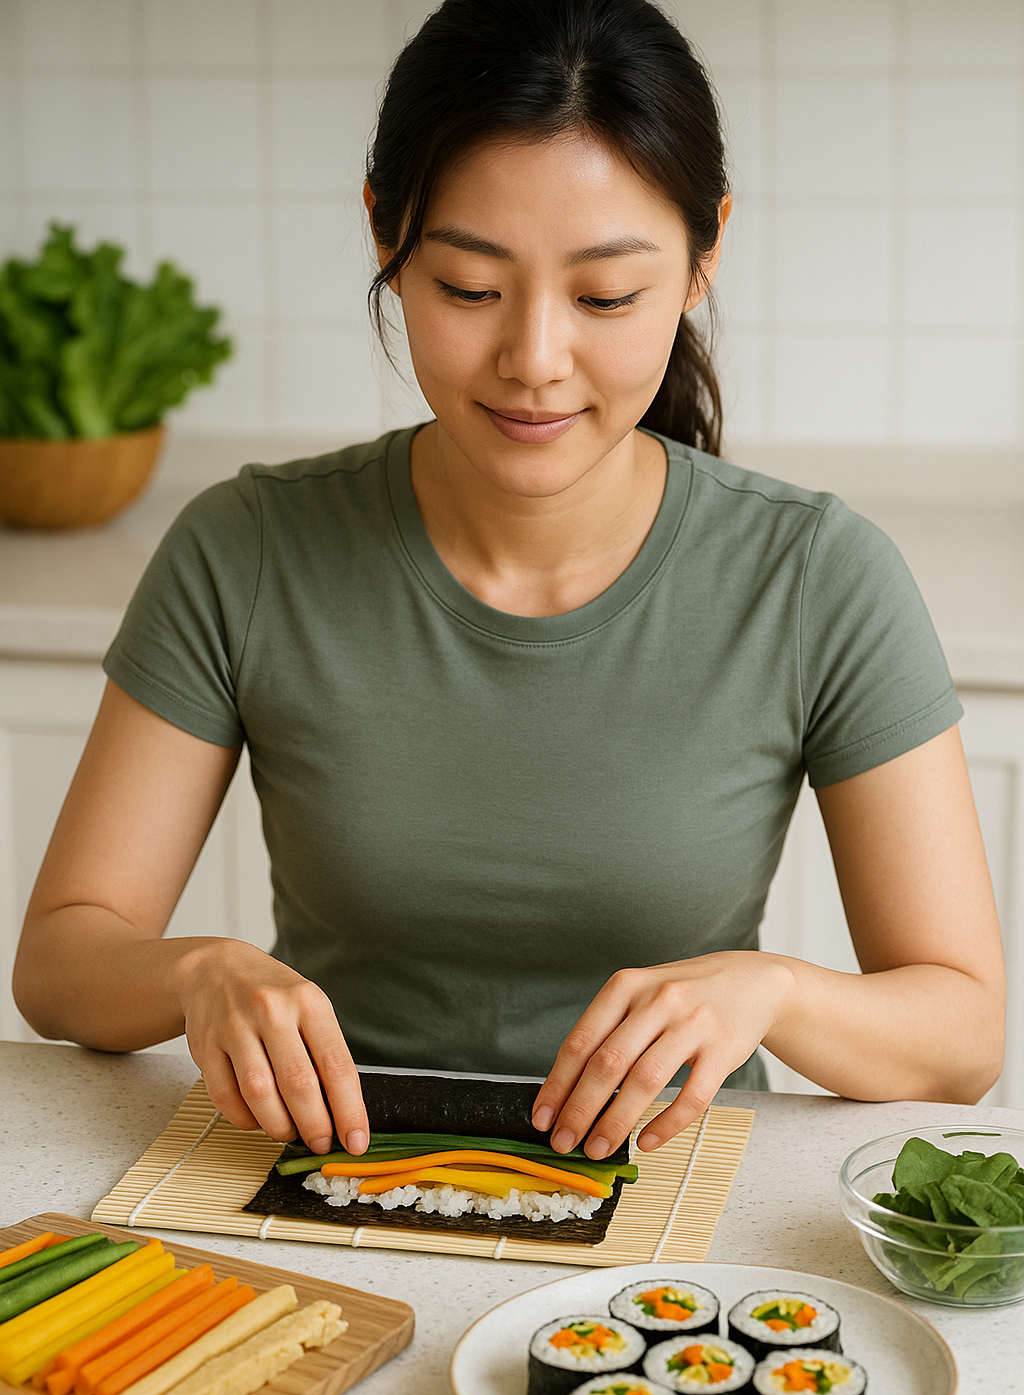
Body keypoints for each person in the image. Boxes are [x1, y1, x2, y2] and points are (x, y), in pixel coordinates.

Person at [14, 0, 1004, 1170]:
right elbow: (62, 959)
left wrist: (774, 993)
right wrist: (196, 973)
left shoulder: (816, 576)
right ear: (386, 233)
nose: (534, 360)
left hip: (676, 1215)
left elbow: (962, 1031)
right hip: (326, 1186)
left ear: (703, 255)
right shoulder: (248, 546)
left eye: (604, 298)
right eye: (471, 289)